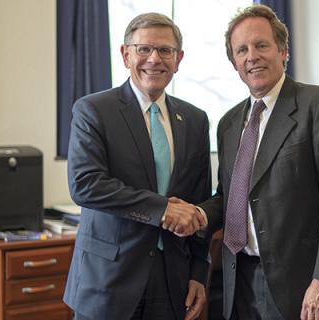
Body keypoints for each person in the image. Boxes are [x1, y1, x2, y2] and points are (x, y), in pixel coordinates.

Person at [198, 5, 319, 320]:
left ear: (283, 51)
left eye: (261, 45)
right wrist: (196, 213)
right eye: (241, 50)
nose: (252, 56)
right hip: (238, 279)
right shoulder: (229, 123)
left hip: (301, 286)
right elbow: (230, 198)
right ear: (233, 62)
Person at [63, 12, 211, 320]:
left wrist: (199, 271)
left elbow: (197, 202)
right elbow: (85, 185)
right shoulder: (93, 110)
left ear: (178, 58)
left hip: (172, 281)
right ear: (125, 54)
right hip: (108, 280)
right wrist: (161, 209)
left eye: (165, 50)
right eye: (144, 49)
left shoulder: (195, 120)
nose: (154, 59)